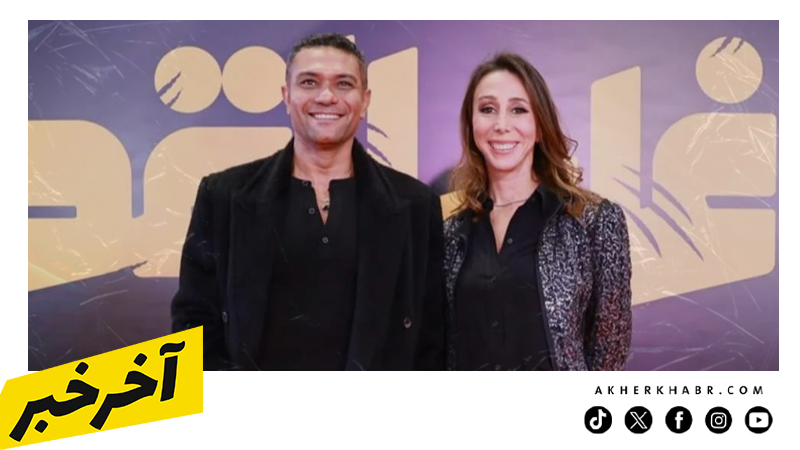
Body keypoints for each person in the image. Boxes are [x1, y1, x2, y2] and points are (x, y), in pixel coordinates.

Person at [171, 33, 445, 371]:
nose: (326, 96)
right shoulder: (223, 196)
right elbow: (194, 324)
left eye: (344, 84)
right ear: (287, 96)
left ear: (365, 101)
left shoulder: (416, 205)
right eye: (309, 82)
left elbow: (432, 341)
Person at [443, 52, 632, 371]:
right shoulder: (450, 234)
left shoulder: (594, 222)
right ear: (471, 125)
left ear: (540, 126)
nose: (502, 125)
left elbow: (609, 351)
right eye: (487, 109)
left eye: (518, 109)